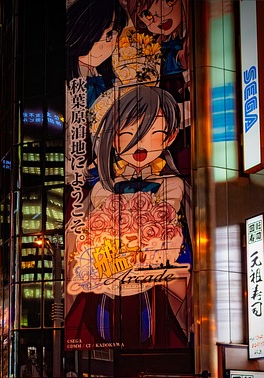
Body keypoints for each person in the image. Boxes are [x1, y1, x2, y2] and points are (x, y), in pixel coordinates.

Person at [65, 85, 191, 350]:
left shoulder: (173, 184)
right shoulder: (101, 188)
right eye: (128, 133)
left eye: (151, 132)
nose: (139, 143)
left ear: (170, 137)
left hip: (151, 287)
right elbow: (76, 238)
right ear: (113, 139)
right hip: (105, 287)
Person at [66, 0, 128, 107]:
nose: (100, 45)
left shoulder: (109, 78)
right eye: (95, 33)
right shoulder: (64, 84)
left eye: (110, 35)